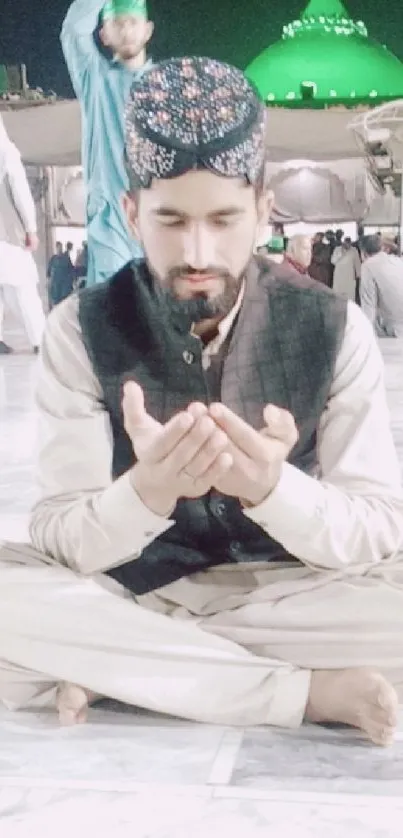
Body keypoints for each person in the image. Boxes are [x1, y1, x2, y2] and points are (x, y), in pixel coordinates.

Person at [1, 57, 403, 747]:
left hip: (296, 596)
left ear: (260, 208)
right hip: (132, 588)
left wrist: (273, 488)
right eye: (169, 220)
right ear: (131, 213)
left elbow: (375, 530)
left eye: (222, 219)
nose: (197, 250)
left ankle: (126, 666)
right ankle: (298, 691)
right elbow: (62, 536)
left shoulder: (334, 327)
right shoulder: (81, 326)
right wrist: (147, 492)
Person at [61, 0, 154, 286]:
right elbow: (73, 31)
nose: (126, 30)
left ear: (148, 30)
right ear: (103, 34)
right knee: (115, 307)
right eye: (118, 23)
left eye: (133, 22)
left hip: (157, 217)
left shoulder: (164, 84)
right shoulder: (96, 80)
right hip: (110, 221)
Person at [0, 116, 45, 355]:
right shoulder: (7, 153)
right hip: (8, 234)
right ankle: (38, 339)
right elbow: (19, 191)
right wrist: (31, 228)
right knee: (24, 288)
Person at [360, 234, 403, 337]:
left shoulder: (368, 266)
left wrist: (365, 336)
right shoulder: (397, 260)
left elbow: (368, 305)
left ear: (363, 252)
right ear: (382, 248)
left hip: (393, 329)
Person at [331, 236, 361, 302]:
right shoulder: (337, 249)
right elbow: (333, 261)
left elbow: (357, 262)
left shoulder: (354, 250)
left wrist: (359, 274)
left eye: (349, 243)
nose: (348, 244)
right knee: (337, 295)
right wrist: (341, 253)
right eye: (346, 242)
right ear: (343, 242)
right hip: (339, 275)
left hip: (349, 275)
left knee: (350, 295)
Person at [47, 241, 76, 308]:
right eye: (58, 247)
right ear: (56, 248)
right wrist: (48, 281)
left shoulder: (66, 258)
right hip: (55, 282)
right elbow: (49, 271)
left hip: (64, 283)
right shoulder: (53, 258)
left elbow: (71, 269)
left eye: (61, 247)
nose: (60, 249)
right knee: (56, 300)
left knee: (64, 300)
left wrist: (73, 280)